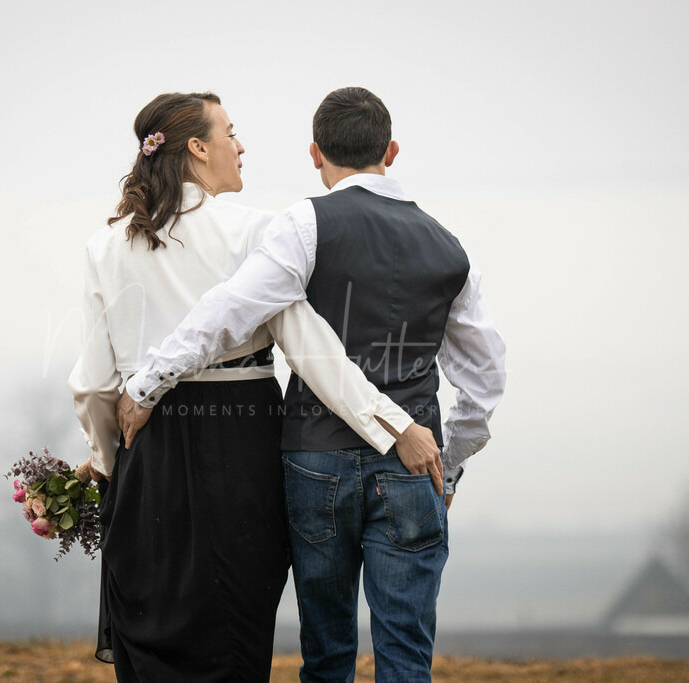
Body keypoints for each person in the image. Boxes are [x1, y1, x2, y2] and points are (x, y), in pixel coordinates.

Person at [117, 87, 507, 682]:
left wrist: (148, 381)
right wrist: (447, 463)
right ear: (392, 151)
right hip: (410, 462)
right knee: (406, 651)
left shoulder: (304, 223)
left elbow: (232, 308)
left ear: (315, 153)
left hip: (313, 461)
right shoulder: (450, 247)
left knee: (326, 651)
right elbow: (483, 381)